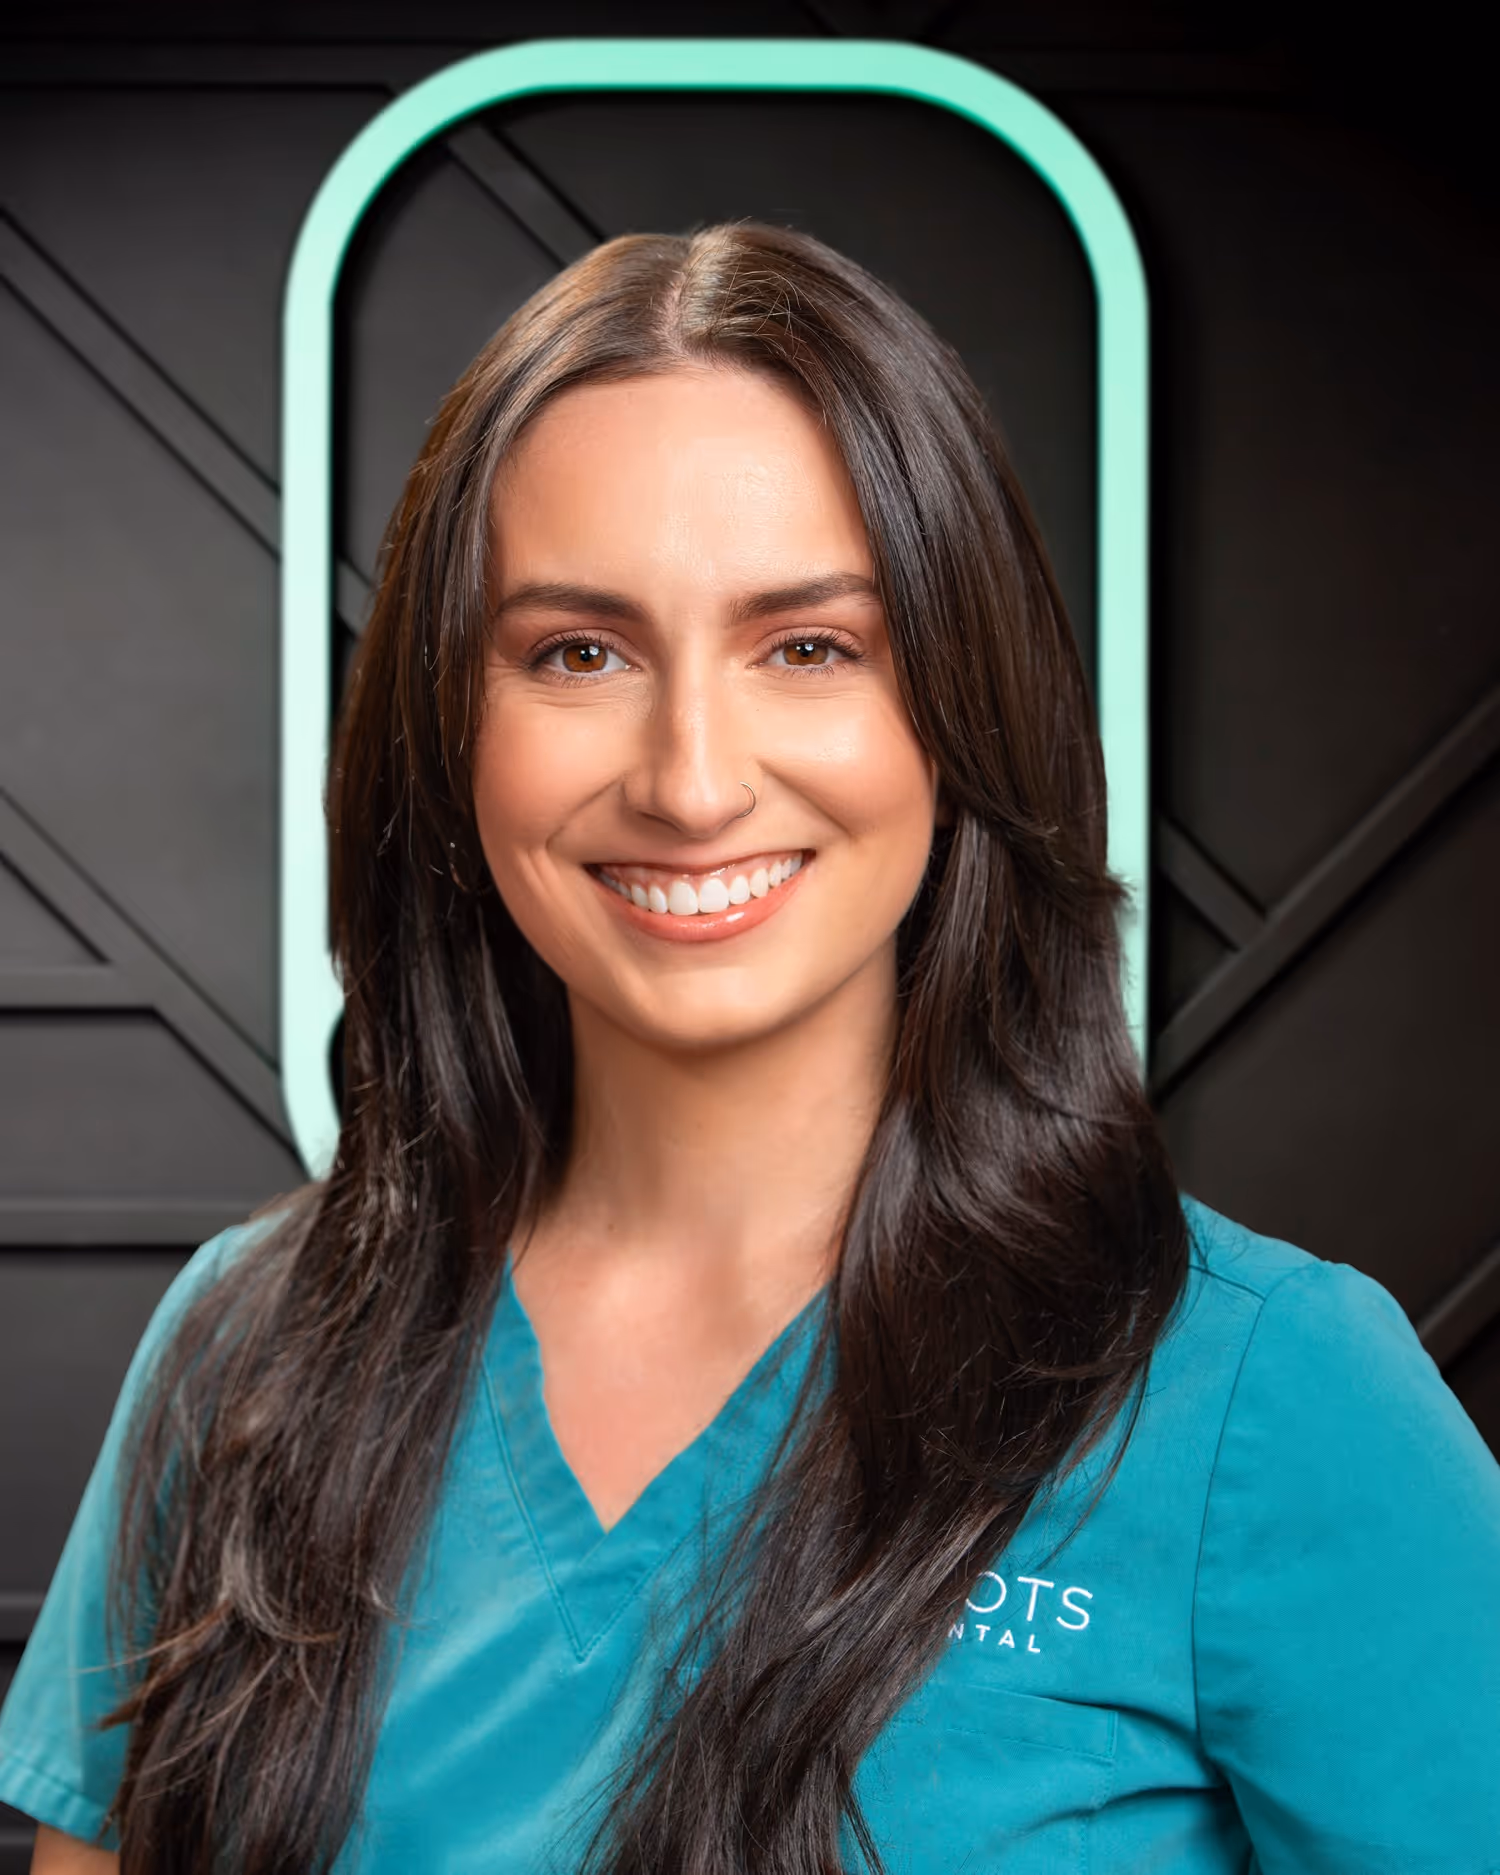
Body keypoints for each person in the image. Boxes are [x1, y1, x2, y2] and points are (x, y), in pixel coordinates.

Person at [1, 219, 1496, 1875]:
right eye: (579, 651)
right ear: (450, 727)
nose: (693, 777)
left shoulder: (1269, 1395)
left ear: (961, 703)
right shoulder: (240, 1357)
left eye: (810, 647)